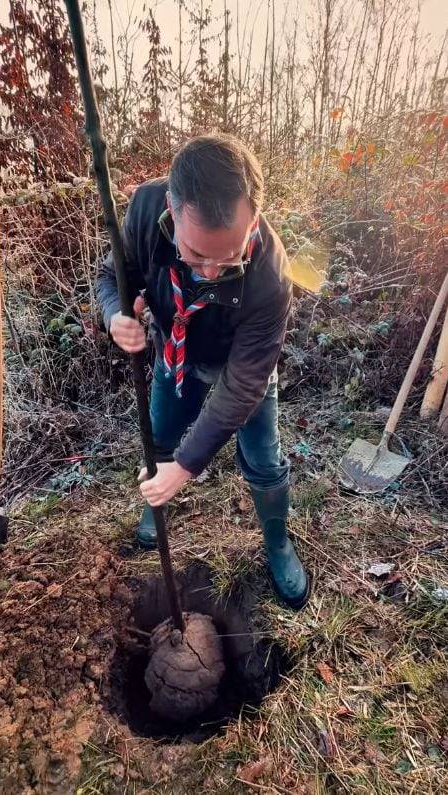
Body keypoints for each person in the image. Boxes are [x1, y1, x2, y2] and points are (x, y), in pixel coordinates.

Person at [96, 134, 310, 610]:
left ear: (252, 216)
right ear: (173, 208)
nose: (211, 272)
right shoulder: (146, 210)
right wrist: (116, 316)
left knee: (264, 459)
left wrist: (188, 467)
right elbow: (114, 276)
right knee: (161, 439)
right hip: (176, 355)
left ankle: (277, 544)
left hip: (240, 368)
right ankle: (158, 505)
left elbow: (244, 385)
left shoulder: (272, 276)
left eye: (227, 256)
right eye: (196, 255)